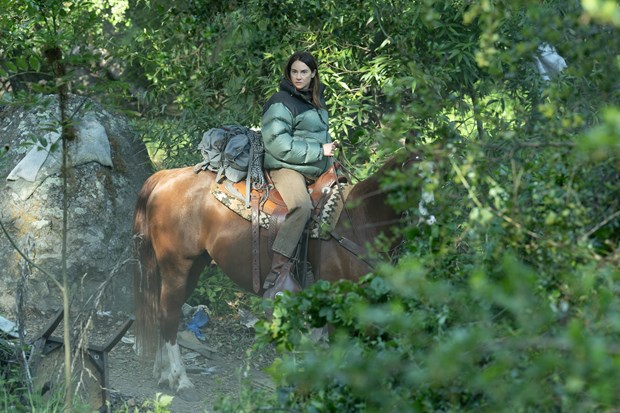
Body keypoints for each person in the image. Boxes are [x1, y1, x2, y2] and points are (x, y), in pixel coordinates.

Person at [261, 51, 336, 299]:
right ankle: (278, 273)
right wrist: (319, 151)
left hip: (314, 167)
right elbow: (277, 143)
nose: (299, 77)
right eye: (294, 72)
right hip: (285, 167)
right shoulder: (280, 101)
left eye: (304, 72)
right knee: (302, 207)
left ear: (313, 74)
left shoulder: (316, 100)